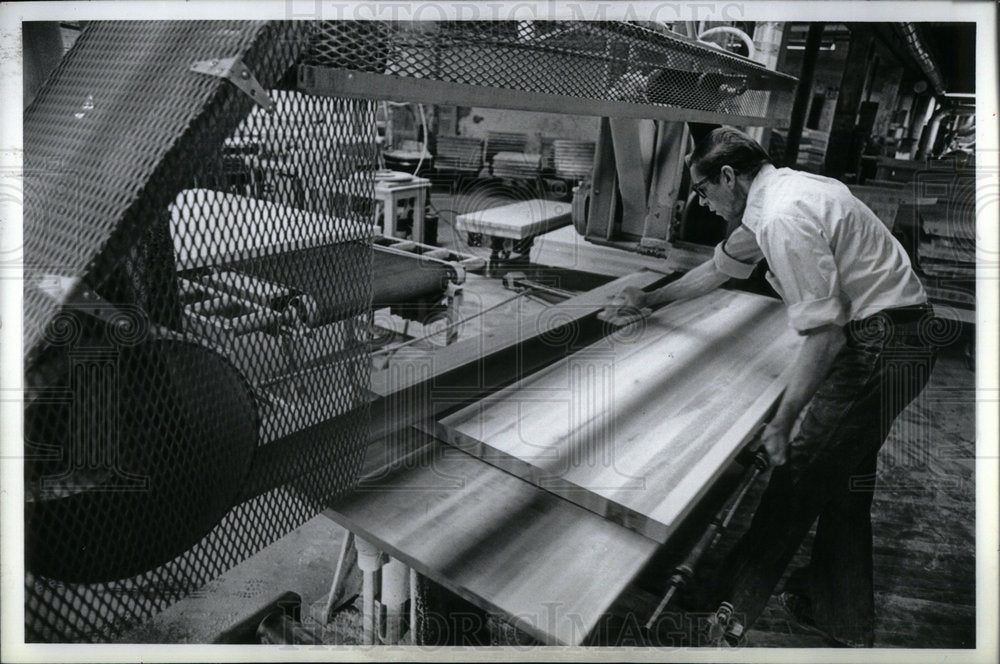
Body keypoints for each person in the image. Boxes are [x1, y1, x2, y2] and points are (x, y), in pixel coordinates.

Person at [608, 127, 938, 647]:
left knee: (797, 477)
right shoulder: (782, 194)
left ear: (727, 177)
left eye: (702, 192)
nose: (703, 203)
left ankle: (722, 614)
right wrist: (650, 302)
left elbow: (825, 335)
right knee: (844, 485)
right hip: (903, 339)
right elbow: (719, 269)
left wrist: (782, 423)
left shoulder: (783, 217)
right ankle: (841, 615)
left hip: (883, 346)